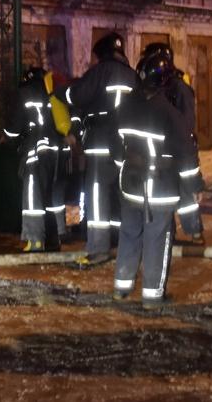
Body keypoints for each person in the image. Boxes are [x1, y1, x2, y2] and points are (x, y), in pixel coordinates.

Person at [111, 52, 203, 307]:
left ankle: (122, 285)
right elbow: (186, 154)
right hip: (159, 189)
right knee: (157, 238)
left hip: (129, 185)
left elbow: (116, 145)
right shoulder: (169, 113)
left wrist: (123, 170)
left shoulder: (125, 106)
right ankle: (153, 295)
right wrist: (195, 185)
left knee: (129, 233)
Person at [62, 32, 139, 267]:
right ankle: (126, 243)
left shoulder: (100, 72)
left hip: (100, 143)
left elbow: (77, 96)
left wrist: (62, 92)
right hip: (127, 143)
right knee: (124, 194)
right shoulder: (132, 75)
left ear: (101, 54)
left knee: (97, 194)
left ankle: (98, 248)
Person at [140, 41, 204, 244]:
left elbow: (186, 121)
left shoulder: (178, 87)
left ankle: (194, 230)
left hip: (179, 146)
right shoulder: (158, 86)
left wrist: (181, 141)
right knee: (167, 190)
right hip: (163, 148)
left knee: (186, 190)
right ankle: (170, 230)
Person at [3, 67, 69, 252]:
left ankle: (35, 240)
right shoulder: (53, 94)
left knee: (33, 198)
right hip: (56, 152)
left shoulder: (23, 94)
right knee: (49, 197)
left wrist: (7, 137)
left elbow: (13, 129)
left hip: (34, 153)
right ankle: (54, 240)